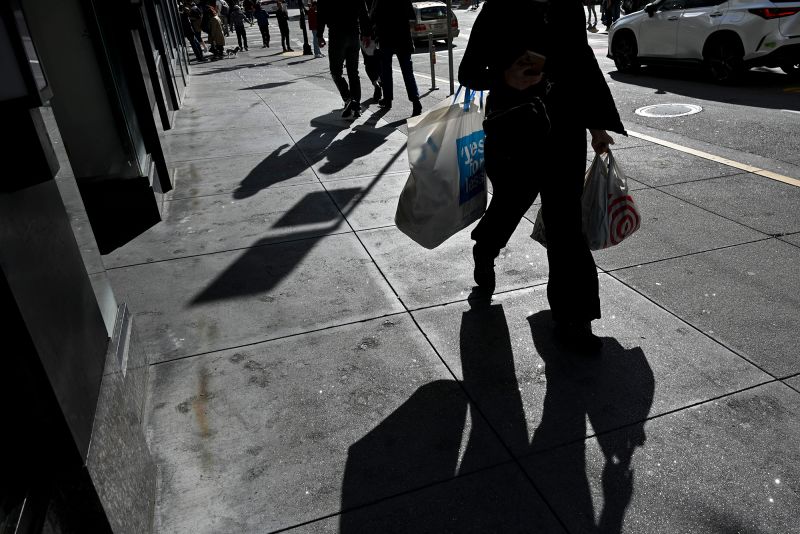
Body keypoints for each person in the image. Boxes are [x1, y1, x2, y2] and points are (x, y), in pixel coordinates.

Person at [457, 0, 626, 351]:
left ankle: (574, 320)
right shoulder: (499, 8)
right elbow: (469, 71)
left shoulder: (568, 7)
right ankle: (485, 247)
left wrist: (597, 124)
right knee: (510, 203)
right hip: (514, 126)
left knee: (566, 221)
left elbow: (583, 64)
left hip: (564, 128)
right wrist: (504, 75)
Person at [316, 0, 370, 119]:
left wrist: (319, 34)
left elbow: (321, 14)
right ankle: (356, 104)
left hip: (337, 34)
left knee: (336, 71)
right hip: (353, 32)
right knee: (353, 72)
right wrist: (366, 34)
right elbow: (363, 13)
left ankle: (348, 98)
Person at [370, 0, 422, 116]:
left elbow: (373, 16)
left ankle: (388, 99)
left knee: (386, 70)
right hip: (403, 38)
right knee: (407, 71)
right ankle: (415, 101)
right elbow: (411, 16)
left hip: (386, 37)